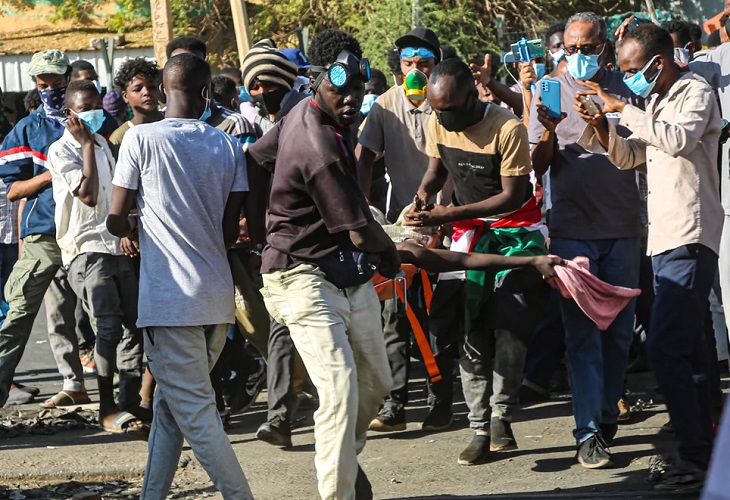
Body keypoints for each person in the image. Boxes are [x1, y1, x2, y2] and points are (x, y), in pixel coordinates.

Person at [247, 28, 399, 499]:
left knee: (375, 382)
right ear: (317, 83)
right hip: (301, 276)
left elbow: (255, 157)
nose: (352, 99)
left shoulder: (305, 110)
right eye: (341, 90)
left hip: (343, 272)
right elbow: (359, 230)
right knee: (338, 389)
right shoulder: (317, 142)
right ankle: (338, 493)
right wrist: (394, 253)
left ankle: (344, 464)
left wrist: (260, 219)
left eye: (359, 89)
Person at [574, 23, 723, 490]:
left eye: (633, 71)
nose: (629, 80)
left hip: (691, 234)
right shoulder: (656, 98)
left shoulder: (694, 91)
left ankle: (695, 456)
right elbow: (631, 157)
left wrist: (624, 108)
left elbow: (678, 140)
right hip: (664, 238)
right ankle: (707, 452)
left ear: (658, 62)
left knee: (665, 346)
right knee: (692, 349)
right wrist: (601, 125)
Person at [107, 53, 253, 499]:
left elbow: (115, 217)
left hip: (171, 303)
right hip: (215, 298)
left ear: (163, 90)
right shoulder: (226, 144)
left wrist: (131, 224)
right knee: (171, 409)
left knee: (198, 417)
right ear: (207, 93)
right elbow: (231, 231)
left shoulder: (139, 139)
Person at [405, 58, 549, 465]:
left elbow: (512, 196)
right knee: (466, 333)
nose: (442, 118)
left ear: (472, 96)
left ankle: (502, 414)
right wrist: (422, 201)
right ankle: (478, 428)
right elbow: (435, 173)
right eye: (436, 110)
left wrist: (446, 214)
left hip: (513, 235)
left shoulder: (507, 128)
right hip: (464, 233)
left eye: (449, 110)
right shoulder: (438, 122)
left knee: (509, 328)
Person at [528, 12, 643, 469]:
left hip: (623, 229)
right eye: (570, 49)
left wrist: (610, 111)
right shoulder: (546, 90)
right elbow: (536, 167)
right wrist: (550, 129)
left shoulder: (624, 89)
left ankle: (605, 410)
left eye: (586, 48)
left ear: (604, 48)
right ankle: (588, 432)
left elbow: (641, 149)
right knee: (581, 337)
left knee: (618, 336)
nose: (577, 57)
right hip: (572, 231)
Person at [0, 49, 116, 408]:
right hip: (45, 233)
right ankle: (65, 383)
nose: (50, 89)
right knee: (28, 311)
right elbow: (11, 190)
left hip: (92, 233)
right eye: (42, 83)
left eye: (56, 82)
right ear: (34, 84)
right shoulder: (25, 130)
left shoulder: (98, 121)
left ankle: (119, 396)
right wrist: (56, 172)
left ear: (69, 78)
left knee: (105, 313)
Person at [358, 27, 453, 434]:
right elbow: (364, 157)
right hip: (402, 226)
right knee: (393, 314)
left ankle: (442, 401)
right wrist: (363, 207)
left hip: (449, 223)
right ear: (397, 67)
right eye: (408, 64)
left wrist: (452, 215)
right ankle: (395, 403)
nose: (415, 72)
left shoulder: (449, 100)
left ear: (437, 67)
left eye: (424, 64)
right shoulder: (384, 106)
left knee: (438, 315)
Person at [47, 79, 145, 435]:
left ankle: (129, 401)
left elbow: (116, 196)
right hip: (86, 251)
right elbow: (87, 196)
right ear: (70, 113)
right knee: (107, 327)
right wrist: (85, 144)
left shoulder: (104, 144)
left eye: (97, 106)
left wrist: (127, 231)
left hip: (114, 244)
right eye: (85, 107)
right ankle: (106, 406)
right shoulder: (61, 150)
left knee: (136, 326)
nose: (93, 113)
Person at [241, 38, 307, 135]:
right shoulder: (257, 117)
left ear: (283, 83)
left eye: (268, 85)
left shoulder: (306, 109)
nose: (262, 92)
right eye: (255, 88)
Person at [108, 57, 164, 160]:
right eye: (137, 89)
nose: (146, 92)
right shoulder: (120, 138)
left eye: (151, 87)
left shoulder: (172, 125)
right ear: (125, 96)